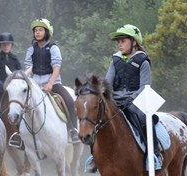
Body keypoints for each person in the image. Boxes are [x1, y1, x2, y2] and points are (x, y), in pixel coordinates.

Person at [84, 24, 162, 173]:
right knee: (96, 117)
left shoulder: (143, 61)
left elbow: (145, 87)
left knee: (145, 118)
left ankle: (154, 154)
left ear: (134, 42)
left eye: (123, 41)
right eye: (118, 42)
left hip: (136, 100)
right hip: (116, 99)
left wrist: (131, 99)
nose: (119, 44)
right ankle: (95, 156)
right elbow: (108, 83)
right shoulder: (115, 60)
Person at [13, 18, 80, 145]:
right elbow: (28, 68)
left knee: (69, 100)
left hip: (53, 81)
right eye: (36, 30)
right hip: (34, 82)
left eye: (40, 30)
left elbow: (56, 68)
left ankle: (73, 130)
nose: (37, 32)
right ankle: (19, 135)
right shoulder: (31, 50)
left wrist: (50, 84)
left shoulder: (54, 48)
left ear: (47, 32)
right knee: (20, 102)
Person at [0, 32, 21, 105]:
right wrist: (4, 87)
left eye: (8, 44)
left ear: (11, 45)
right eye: (3, 44)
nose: (6, 46)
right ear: (0, 46)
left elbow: (20, 73)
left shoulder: (15, 59)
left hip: (13, 85)